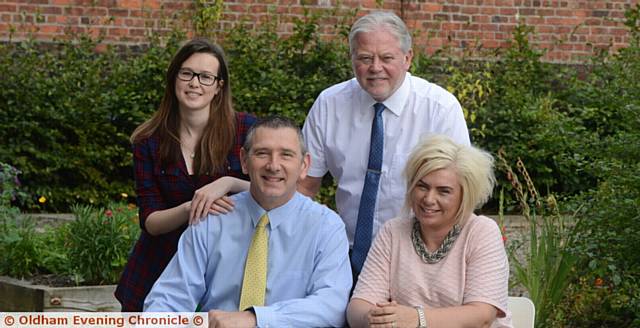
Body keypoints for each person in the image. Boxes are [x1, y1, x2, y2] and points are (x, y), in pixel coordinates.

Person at [299, 11, 471, 276]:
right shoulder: (329, 104)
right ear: (352, 59)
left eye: (387, 58)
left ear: (408, 58)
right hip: (343, 254)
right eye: (365, 58)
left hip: (418, 256)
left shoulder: (440, 109)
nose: (375, 68)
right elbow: (304, 185)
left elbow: (461, 194)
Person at [144, 117, 352, 327]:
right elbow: (169, 298)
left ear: (304, 165)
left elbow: (331, 306)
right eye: (262, 153)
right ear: (244, 160)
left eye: (286, 155)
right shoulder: (212, 219)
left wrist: (255, 318)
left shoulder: (326, 227)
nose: (273, 165)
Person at [115, 38, 257, 312]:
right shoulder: (148, 140)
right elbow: (150, 221)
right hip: (157, 269)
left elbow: (276, 188)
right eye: (187, 73)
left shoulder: (246, 130)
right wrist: (192, 207)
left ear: (219, 87)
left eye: (205, 77)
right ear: (174, 79)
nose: (195, 83)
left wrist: (227, 183)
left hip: (223, 270)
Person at [346, 134, 512, 328]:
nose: (429, 199)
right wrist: (376, 318)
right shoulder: (393, 231)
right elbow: (358, 305)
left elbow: (481, 316)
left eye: (444, 191)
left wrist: (417, 319)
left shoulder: (481, 232)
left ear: (465, 195)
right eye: (422, 186)